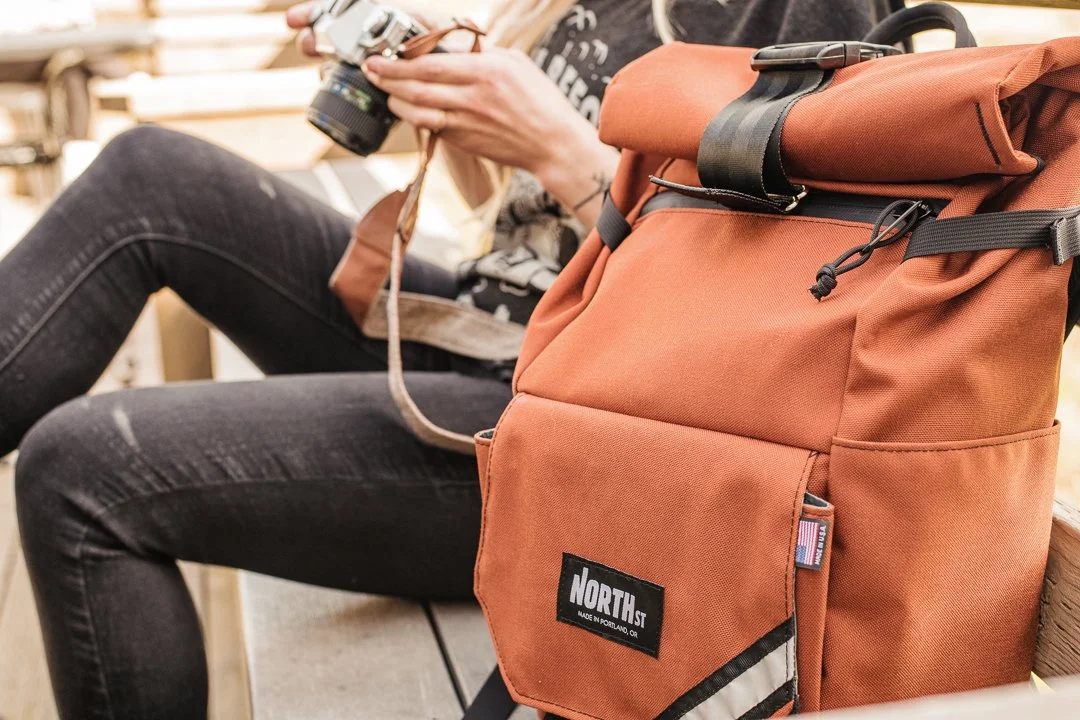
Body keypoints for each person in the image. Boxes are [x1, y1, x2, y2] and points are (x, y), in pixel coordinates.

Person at [3, 0, 899, 717]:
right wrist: (445, 82)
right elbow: (518, 220)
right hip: (498, 326)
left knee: (84, 471)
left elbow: (788, 312)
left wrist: (563, 151)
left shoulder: (803, 11)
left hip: (589, 426)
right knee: (150, 176)